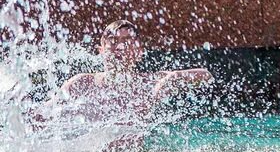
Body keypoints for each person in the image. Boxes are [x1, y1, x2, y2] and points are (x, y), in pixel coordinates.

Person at [60, 19, 212, 121]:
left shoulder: (150, 83)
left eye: (126, 42)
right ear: (101, 50)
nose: (119, 47)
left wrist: (172, 78)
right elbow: (46, 113)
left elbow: (207, 76)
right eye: (113, 42)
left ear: (139, 52)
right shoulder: (82, 84)